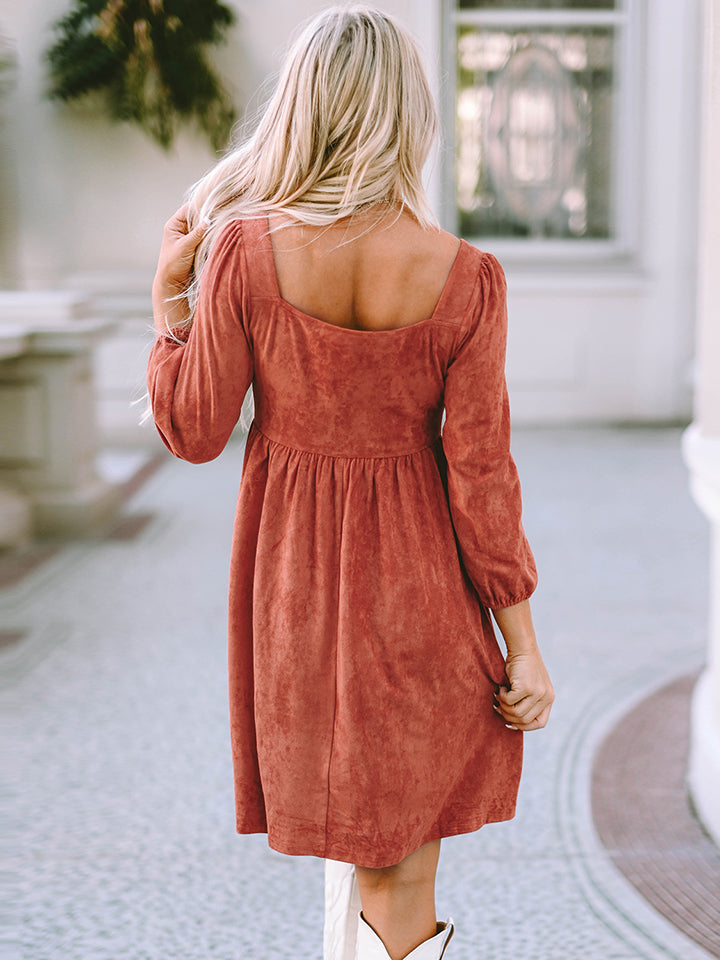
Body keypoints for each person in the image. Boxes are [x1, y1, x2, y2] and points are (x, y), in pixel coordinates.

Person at [146, 6, 555, 960]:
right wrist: (522, 645)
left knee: (367, 852)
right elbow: (483, 478)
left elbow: (195, 432)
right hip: (421, 590)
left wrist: (170, 301)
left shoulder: (245, 252)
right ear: (411, 116)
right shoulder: (467, 278)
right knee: (400, 860)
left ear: (305, 106)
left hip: (293, 591)